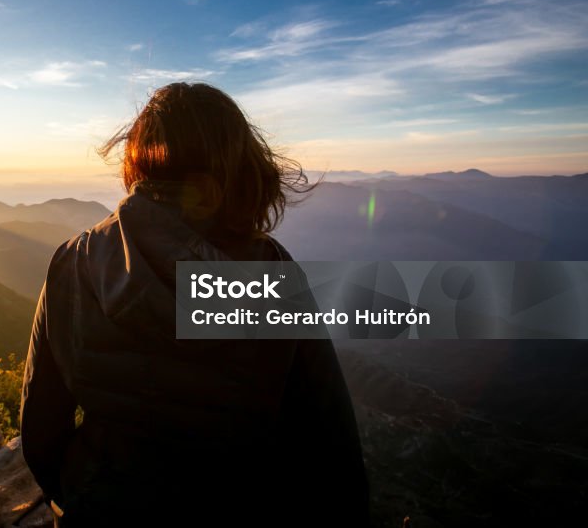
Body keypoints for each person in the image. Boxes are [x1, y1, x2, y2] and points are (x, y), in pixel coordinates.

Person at [20, 82, 369, 526]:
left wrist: (88, 497)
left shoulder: (75, 261)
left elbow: (41, 427)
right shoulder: (272, 273)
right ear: (239, 168)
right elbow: (329, 442)